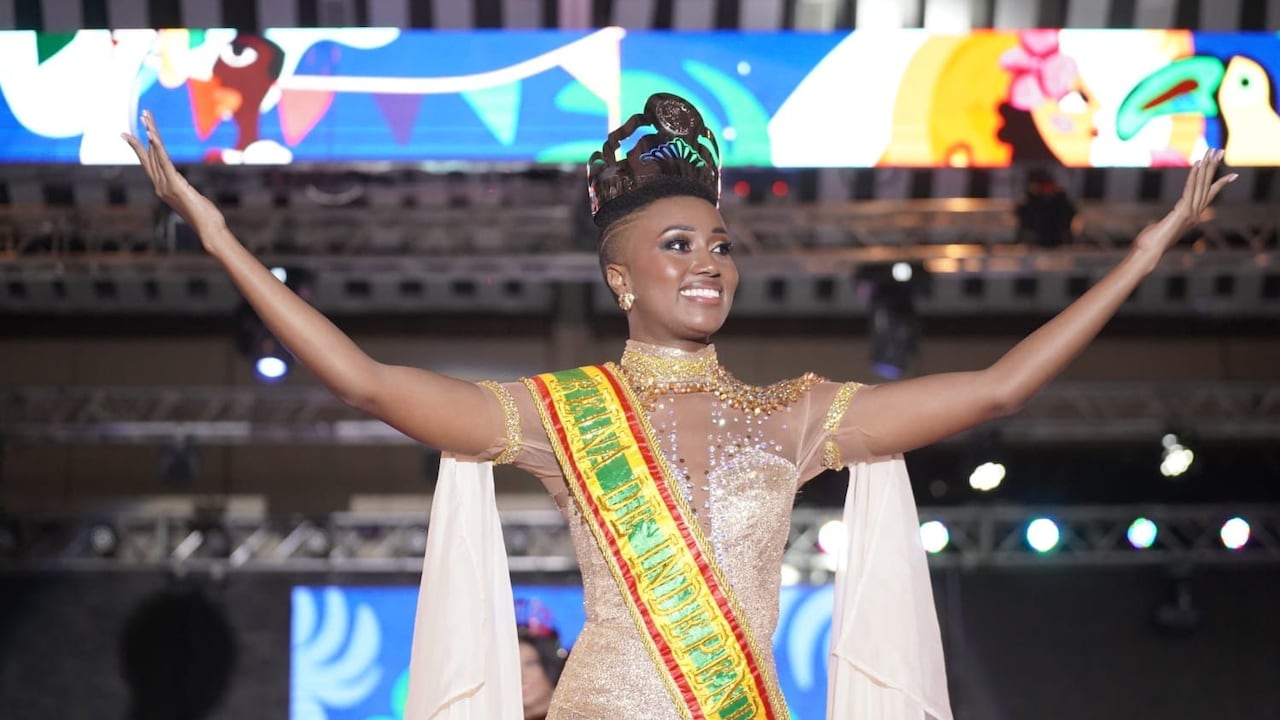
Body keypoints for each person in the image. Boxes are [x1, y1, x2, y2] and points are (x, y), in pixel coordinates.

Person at [123, 93, 1233, 719]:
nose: (707, 261)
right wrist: (219, 237)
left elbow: (997, 388)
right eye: (676, 243)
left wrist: (1142, 252)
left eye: (718, 243)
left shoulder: (799, 414)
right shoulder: (561, 413)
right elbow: (367, 383)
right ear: (621, 278)